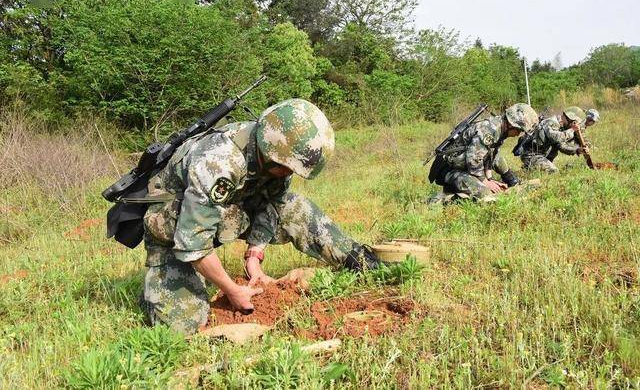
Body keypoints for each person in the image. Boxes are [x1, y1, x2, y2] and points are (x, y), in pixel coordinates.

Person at [139, 98, 380, 334]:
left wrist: (254, 256)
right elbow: (193, 240)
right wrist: (232, 290)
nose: (287, 173)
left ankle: (360, 261)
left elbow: (274, 203)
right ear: (269, 150)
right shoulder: (221, 161)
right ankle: (157, 287)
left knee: (295, 207)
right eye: (285, 167)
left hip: (225, 213)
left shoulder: (278, 156)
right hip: (175, 229)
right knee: (182, 326)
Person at [429, 103, 538, 201]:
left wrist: (490, 179)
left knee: (493, 184)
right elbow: (474, 159)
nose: (518, 134)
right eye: (519, 130)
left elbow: (491, 156)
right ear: (511, 124)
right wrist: (484, 182)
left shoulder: (500, 131)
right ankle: (441, 199)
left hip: (465, 168)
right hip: (449, 170)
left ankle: (511, 180)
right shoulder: (489, 130)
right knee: (486, 193)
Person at [520, 106, 589, 173]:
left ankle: (529, 169)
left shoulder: (560, 127)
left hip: (542, 156)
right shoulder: (550, 122)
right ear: (570, 120)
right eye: (574, 123)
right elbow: (557, 138)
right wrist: (572, 130)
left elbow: (561, 146)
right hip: (532, 155)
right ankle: (529, 168)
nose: (572, 126)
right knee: (553, 171)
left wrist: (577, 150)